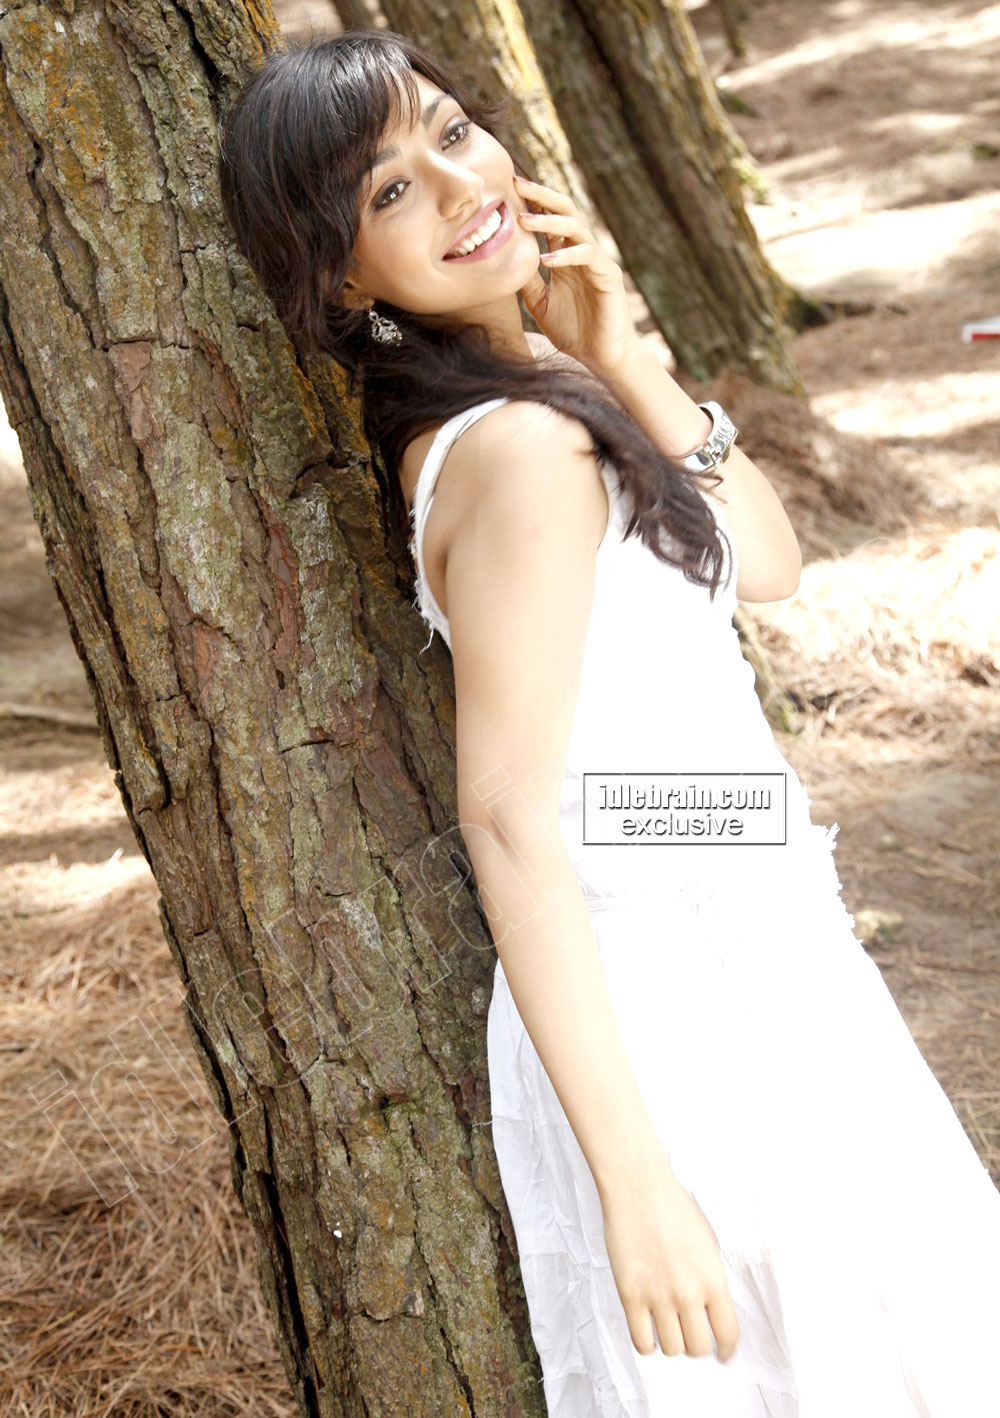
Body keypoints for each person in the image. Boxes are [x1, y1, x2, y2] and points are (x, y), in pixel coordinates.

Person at [217, 29, 1000, 1417]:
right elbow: (513, 818)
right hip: (676, 1026)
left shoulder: (540, 393)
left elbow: (769, 564)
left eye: (453, 133)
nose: (457, 188)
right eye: (388, 191)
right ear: (342, 276)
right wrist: (637, 1187)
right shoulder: (520, 450)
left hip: (762, 964)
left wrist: (622, 348)